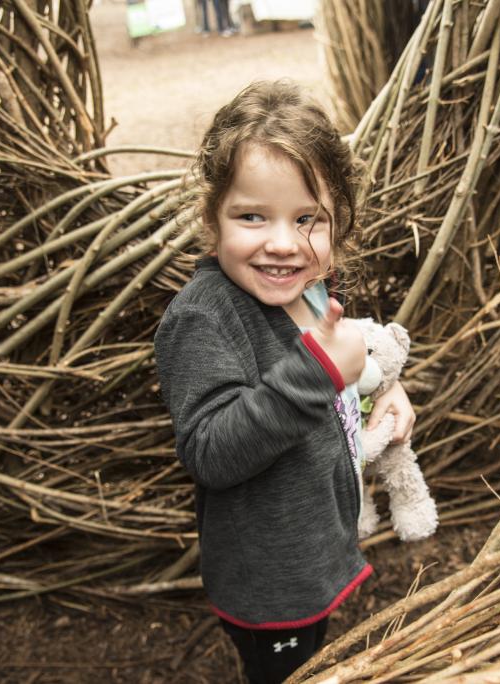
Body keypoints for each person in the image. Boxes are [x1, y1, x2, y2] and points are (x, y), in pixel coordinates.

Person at [154, 80, 416, 683]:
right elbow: (212, 451)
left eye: (307, 220)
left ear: (337, 223)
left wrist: (384, 390)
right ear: (212, 216)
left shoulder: (312, 292)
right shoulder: (203, 319)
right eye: (251, 216)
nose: (280, 243)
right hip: (269, 584)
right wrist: (317, 373)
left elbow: (349, 365)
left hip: (314, 547)